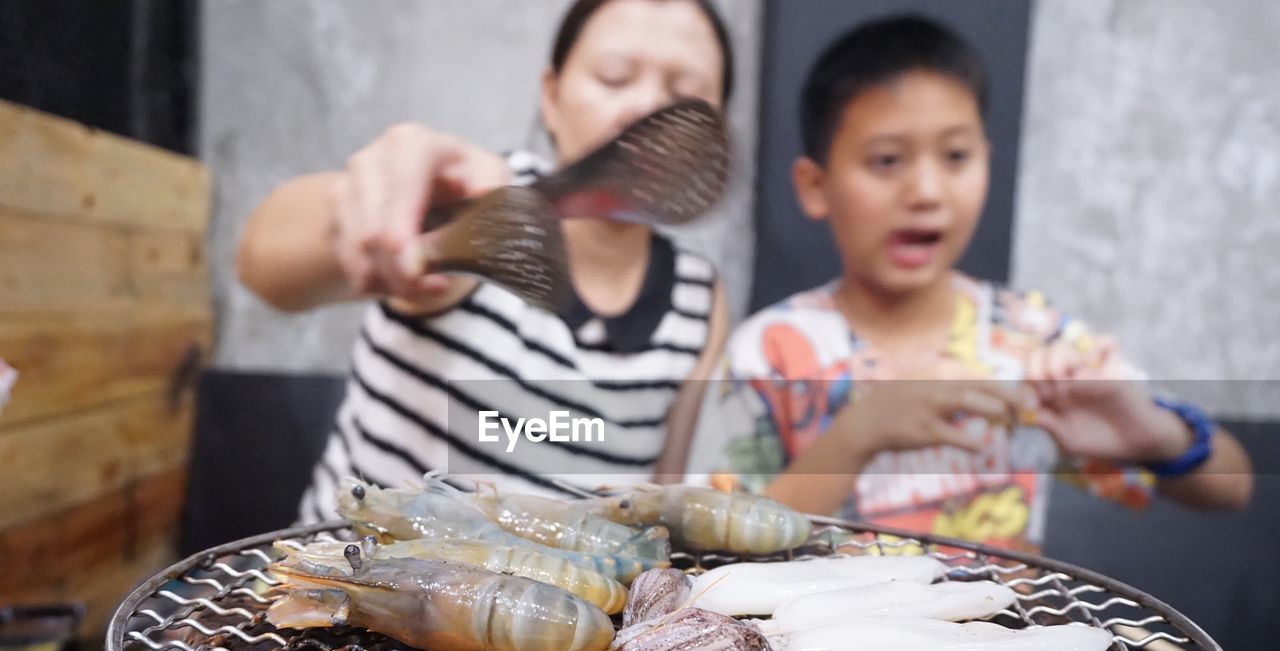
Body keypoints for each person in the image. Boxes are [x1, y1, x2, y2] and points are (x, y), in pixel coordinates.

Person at [688, 14, 1252, 551]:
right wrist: (856, 435)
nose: (927, 190)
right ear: (815, 186)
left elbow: (1232, 487)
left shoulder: (1032, 338)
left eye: (956, 156)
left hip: (1011, 645)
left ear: (987, 161)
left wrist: (1159, 437)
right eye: (887, 160)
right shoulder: (771, 352)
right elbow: (712, 545)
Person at [235, 0, 735, 519]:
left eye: (685, 97)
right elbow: (259, 264)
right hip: (346, 582)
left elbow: (654, 502)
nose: (646, 110)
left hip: (560, 597)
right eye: (613, 78)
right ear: (551, 97)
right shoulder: (481, 201)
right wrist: (354, 213)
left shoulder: (698, 300)